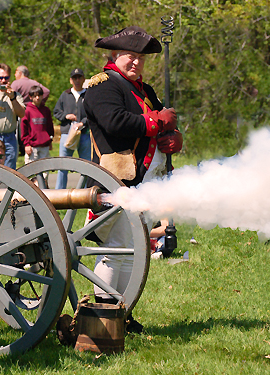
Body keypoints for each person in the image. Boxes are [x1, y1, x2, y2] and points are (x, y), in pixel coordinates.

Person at [83, 26, 183, 333]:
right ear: (115, 56)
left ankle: (122, 314)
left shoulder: (144, 89)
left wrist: (173, 138)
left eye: (140, 58)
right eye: (130, 56)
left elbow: (161, 125)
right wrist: (156, 123)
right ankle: (105, 316)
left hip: (148, 179)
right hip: (120, 177)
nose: (136, 62)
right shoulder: (102, 86)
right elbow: (115, 123)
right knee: (118, 249)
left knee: (135, 248)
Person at [53, 68, 91, 189]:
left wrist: (82, 123)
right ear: (70, 80)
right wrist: (66, 116)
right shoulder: (65, 94)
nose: (77, 80)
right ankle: (59, 194)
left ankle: (86, 194)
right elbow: (56, 112)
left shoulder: (88, 95)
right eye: (74, 78)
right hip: (66, 134)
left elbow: (93, 115)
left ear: (83, 79)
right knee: (63, 165)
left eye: (79, 77)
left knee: (86, 166)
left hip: (84, 133)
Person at [20, 86, 54, 165]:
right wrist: (26, 144)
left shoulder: (46, 110)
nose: (38, 98)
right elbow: (24, 128)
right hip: (32, 146)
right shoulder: (27, 111)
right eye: (35, 96)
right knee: (31, 168)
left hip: (44, 145)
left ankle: (44, 178)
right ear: (30, 97)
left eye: (39, 95)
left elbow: (50, 126)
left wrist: (50, 141)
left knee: (45, 168)